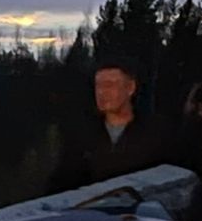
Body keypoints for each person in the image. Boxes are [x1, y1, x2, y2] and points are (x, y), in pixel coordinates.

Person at [47, 56, 172, 194]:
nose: (101, 92)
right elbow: (61, 181)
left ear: (130, 87)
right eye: (98, 86)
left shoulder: (157, 132)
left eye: (109, 85)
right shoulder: (82, 134)